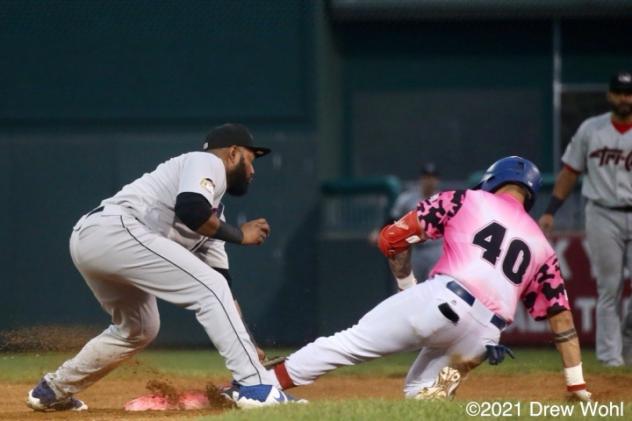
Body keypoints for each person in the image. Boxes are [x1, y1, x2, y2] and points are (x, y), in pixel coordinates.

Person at [267, 156, 591, 402]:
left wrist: (407, 285)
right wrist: (576, 386)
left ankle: (262, 388)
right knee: (419, 394)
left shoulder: (467, 199)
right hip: (487, 334)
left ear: (492, 179)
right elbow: (562, 320)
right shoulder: (543, 248)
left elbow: (391, 239)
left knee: (346, 344)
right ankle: (454, 372)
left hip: (445, 298)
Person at [26, 123, 302, 411]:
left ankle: (52, 390)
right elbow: (191, 209)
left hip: (94, 241)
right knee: (208, 288)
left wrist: (247, 343)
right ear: (233, 153)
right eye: (251, 159)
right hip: (114, 229)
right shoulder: (206, 161)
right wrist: (241, 235)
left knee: (139, 328)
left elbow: (221, 288)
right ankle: (255, 387)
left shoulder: (214, 218)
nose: (253, 170)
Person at [539, 71, 632, 367]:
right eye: (619, 92)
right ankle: (611, 359)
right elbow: (569, 172)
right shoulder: (591, 130)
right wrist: (551, 209)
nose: (624, 98)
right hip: (603, 213)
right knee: (609, 288)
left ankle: (627, 339)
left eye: (628, 93)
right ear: (610, 95)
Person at [389, 162, 442, 282]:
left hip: (436, 249)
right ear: (421, 179)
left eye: (432, 177)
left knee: (435, 287)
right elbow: (393, 218)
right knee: (411, 287)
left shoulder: (443, 200)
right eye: (426, 177)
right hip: (415, 251)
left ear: (437, 180)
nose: (429, 181)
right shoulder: (407, 199)